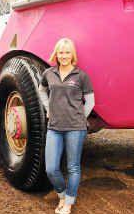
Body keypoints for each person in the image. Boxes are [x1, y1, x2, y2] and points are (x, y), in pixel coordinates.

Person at [39, 38, 95, 214]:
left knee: (73, 167)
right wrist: (48, 108)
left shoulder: (81, 76)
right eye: (61, 52)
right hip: (54, 127)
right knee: (51, 168)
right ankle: (62, 195)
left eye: (67, 52)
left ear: (72, 55)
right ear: (56, 54)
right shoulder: (49, 73)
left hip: (75, 129)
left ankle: (68, 202)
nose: (64, 56)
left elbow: (91, 101)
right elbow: (41, 90)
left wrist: (79, 118)